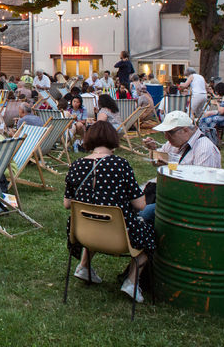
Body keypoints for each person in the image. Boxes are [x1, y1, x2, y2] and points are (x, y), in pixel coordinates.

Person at [63, 121, 155, 303]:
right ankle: (131, 281)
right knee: (150, 234)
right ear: (113, 139)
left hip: (83, 234)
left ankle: (84, 266)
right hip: (119, 235)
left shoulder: (77, 165)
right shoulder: (121, 165)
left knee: (95, 217)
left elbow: (67, 203)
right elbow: (141, 205)